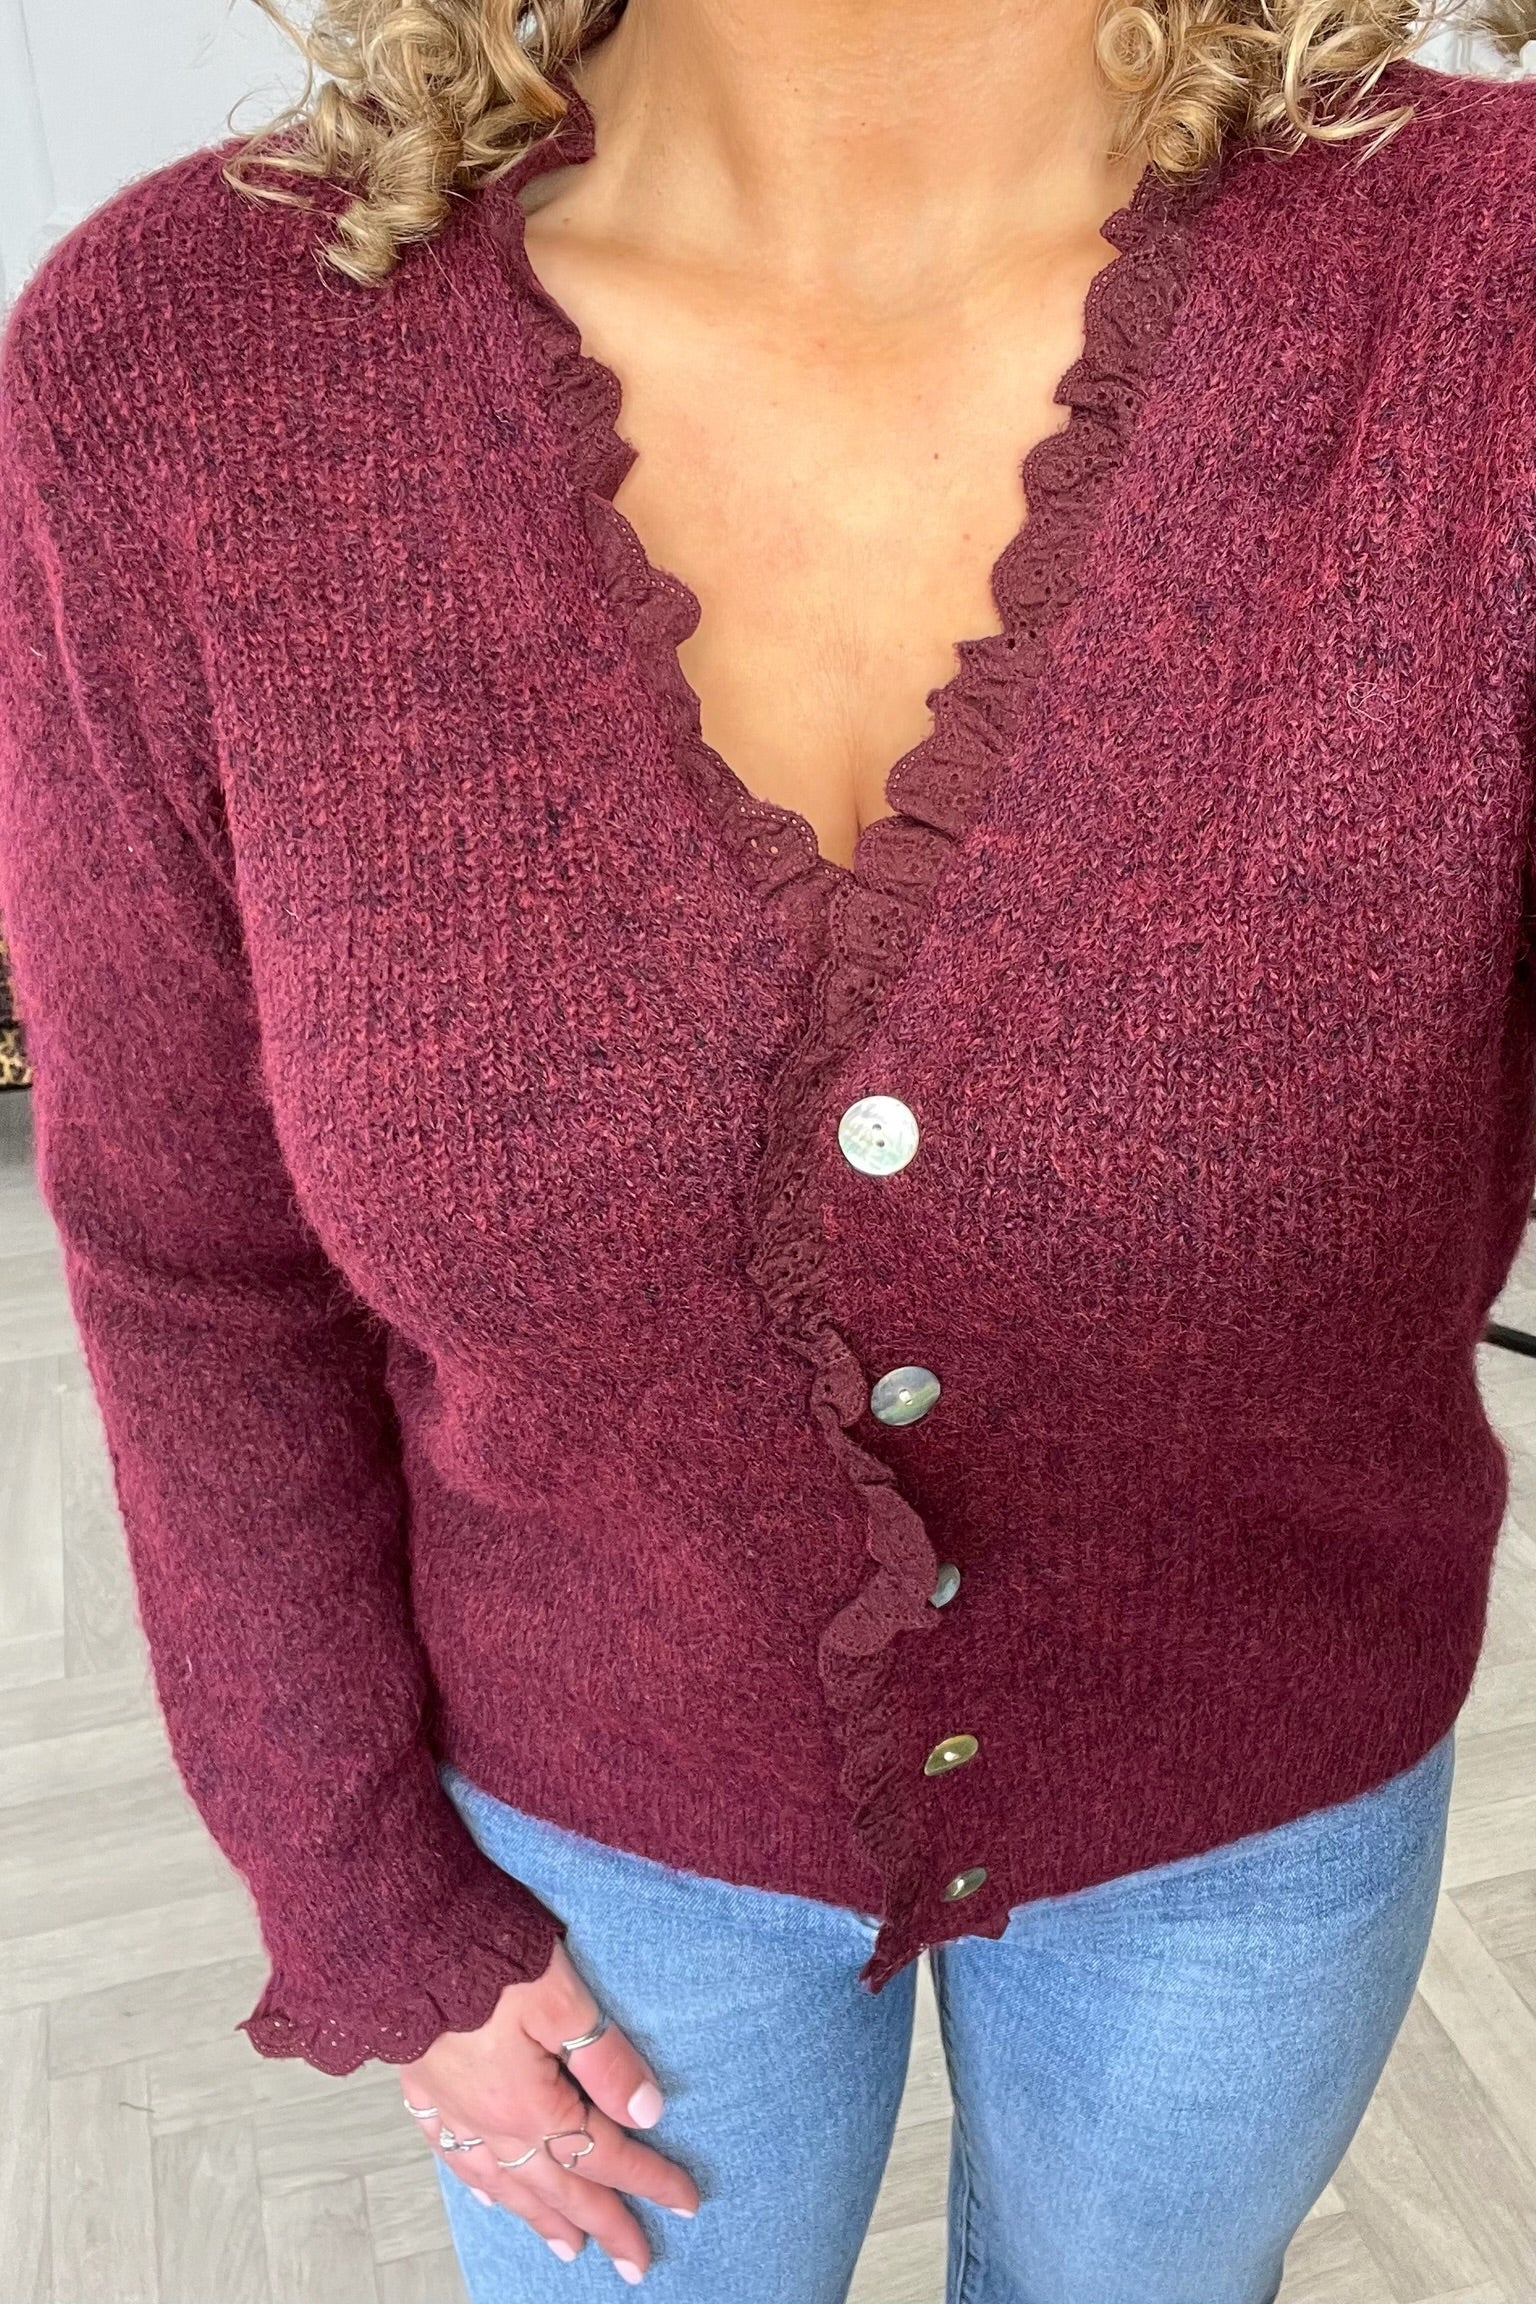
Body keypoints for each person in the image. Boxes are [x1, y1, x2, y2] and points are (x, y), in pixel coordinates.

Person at [0, 0, 1531, 2296]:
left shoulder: (1486, 305)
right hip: (592, 1826)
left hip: (1253, 1797)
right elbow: (189, 1258)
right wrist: (358, 1886)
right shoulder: (182, 368)